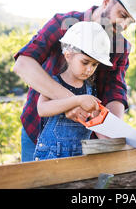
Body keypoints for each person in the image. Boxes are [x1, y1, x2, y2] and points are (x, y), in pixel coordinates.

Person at [13, 0, 136, 162]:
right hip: (38, 133)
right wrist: (72, 101)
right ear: (107, 2)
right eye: (122, 15)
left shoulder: (121, 46)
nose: (124, 26)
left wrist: (113, 129)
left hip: (81, 142)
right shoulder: (64, 23)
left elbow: (115, 91)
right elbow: (24, 64)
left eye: (130, 21)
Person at [33, 21, 112, 160]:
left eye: (94, 65)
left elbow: (92, 121)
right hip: (51, 154)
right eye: (85, 62)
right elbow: (42, 109)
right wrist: (77, 100)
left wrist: (102, 119)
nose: (89, 69)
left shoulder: (90, 87)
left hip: (80, 154)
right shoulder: (54, 82)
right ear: (68, 55)